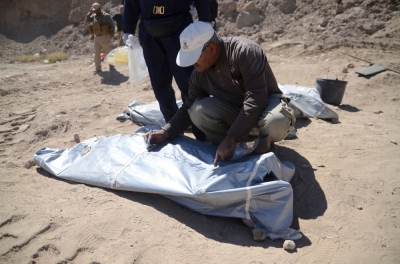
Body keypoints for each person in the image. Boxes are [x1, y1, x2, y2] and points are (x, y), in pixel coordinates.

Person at [147, 22, 296, 167]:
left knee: (276, 121)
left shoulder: (244, 52)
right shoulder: (199, 74)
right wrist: (166, 132)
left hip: (265, 105)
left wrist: (232, 137)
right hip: (237, 112)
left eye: (195, 57)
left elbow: (257, 97)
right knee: (197, 110)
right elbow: (188, 107)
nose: (193, 64)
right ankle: (237, 148)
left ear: (211, 48)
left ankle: (263, 148)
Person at [123, 0, 211, 141]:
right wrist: (128, 29)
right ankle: (173, 131)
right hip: (150, 32)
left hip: (180, 29)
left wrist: (205, 20)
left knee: (190, 85)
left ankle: (202, 135)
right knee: (160, 87)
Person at [85, 3, 115, 73]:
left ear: (100, 8)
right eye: (94, 10)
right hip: (97, 38)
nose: (96, 11)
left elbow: (112, 24)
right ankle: (98, 69)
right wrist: (89, 12)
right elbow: (87, 20)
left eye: (97, 10)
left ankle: (112, 66)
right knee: (97, 53)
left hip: (105, 37)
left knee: (108, 52)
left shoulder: (106, 16)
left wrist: (112, 32)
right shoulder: (93, 16)